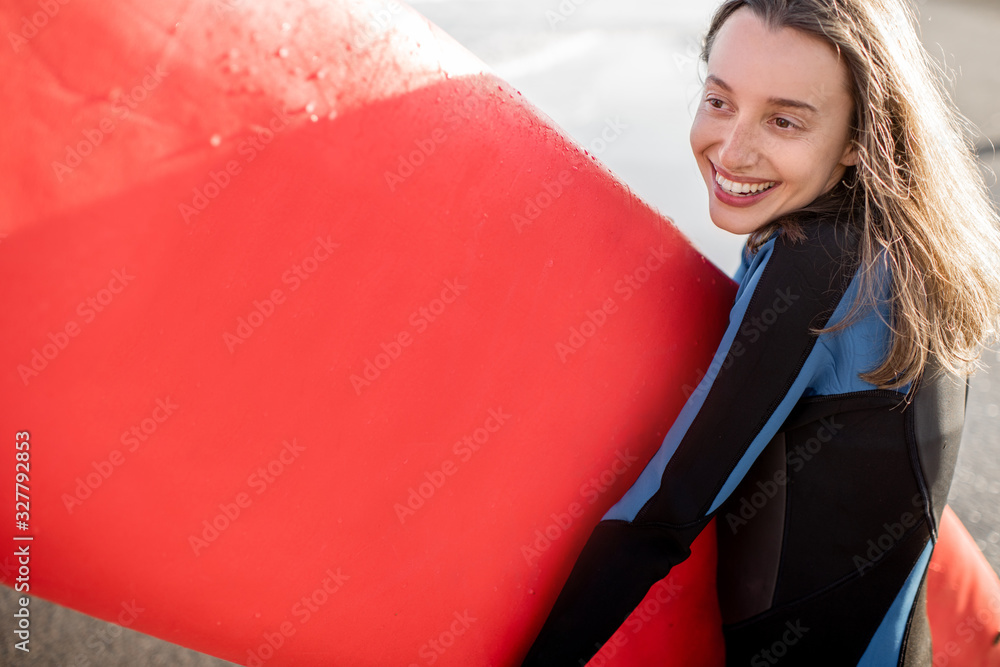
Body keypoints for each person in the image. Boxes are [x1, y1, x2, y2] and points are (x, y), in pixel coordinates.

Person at [521, 0, 1000, 664]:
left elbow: (665, 510)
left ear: (863, 138)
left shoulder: (817, 267)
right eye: (719, 101)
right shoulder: (912, 249)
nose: (733, 148)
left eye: (783, 120)